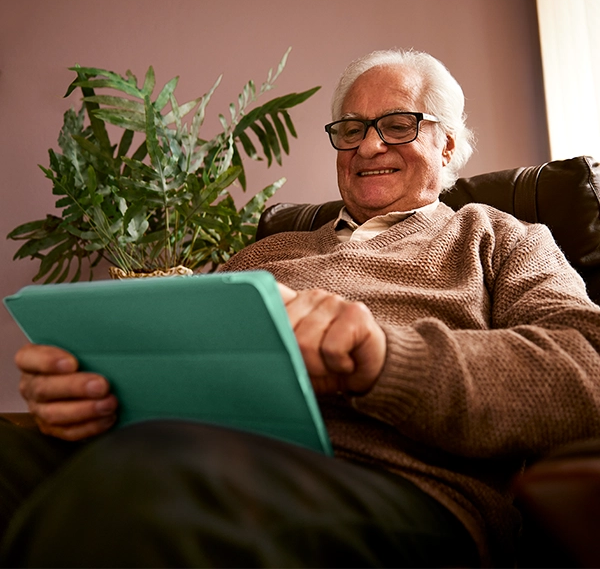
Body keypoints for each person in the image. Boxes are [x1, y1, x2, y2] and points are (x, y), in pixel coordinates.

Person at [2, 49, 600, 569]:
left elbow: (586, 367)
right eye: (352, 128)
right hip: (195, 447)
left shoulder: (499, 237)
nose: (369, 145)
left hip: (398, 485)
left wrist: (386, 360)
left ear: (446, 143)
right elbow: (188, 363)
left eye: (397, 124)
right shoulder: (267, 251)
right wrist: (87, 392)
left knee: (152, 474)